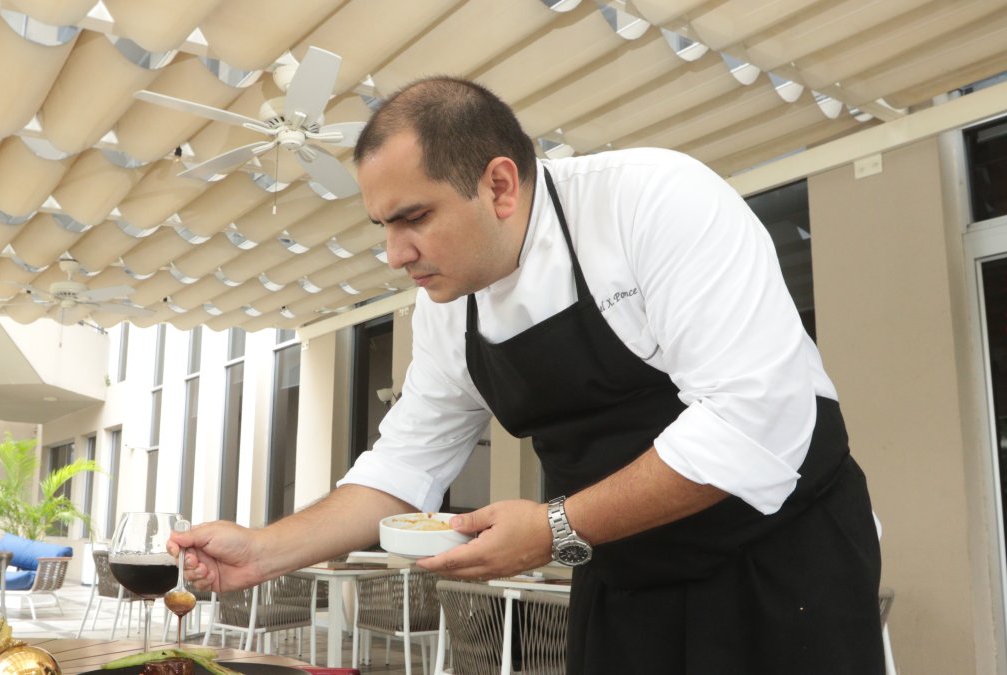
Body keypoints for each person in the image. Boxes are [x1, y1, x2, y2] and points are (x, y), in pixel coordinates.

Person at [170, 76, 884, 674]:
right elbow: (405, 462)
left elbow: (748, 420)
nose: (394, 253)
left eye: (413, 217)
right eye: (382, 226)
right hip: (623, 577)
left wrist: (553, 528)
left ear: (501, 185)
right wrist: (265, 551)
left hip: (781, 562)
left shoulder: (653, 201)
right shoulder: (449, 305)